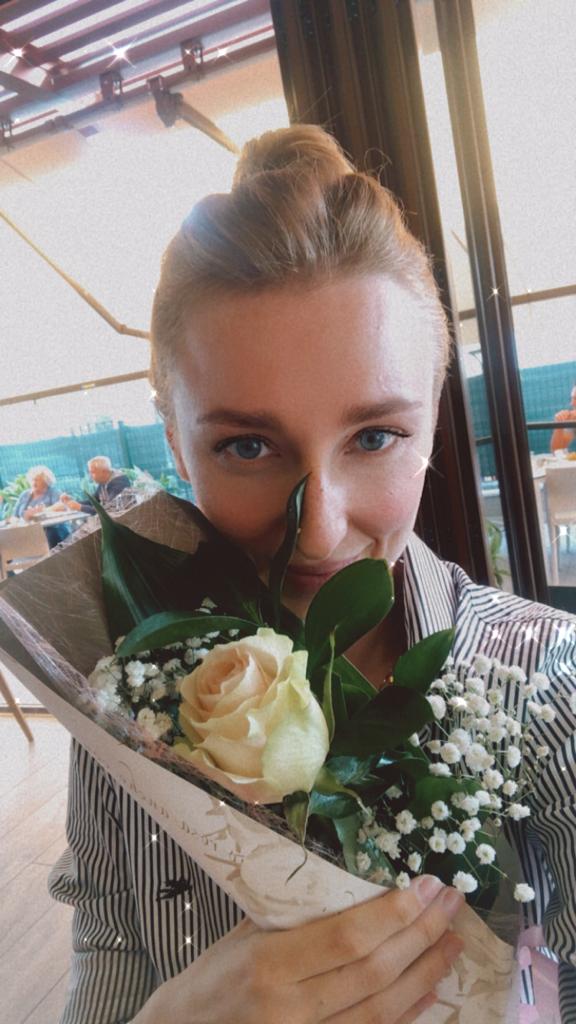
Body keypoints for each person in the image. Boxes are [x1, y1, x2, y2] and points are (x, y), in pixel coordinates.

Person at [47, 126, 576, 1024]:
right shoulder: (122, 713)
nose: (320, 528)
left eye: (375, 436)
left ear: (433, 417)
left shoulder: (552, 689)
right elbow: (107, 963)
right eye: (247, 446)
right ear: (174, 440)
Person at [12, 465, 71, 548]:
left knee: (51, 533)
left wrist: (42, 511)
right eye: (32, 479)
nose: (34, 482)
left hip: (48, 530)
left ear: (46, 481)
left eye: (37, 480)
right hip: (27, 531)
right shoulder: (24, 495)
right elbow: (15, 516)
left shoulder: (53, 492)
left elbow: (62, 506)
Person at [61, 455, 131, 514]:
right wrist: (72, 503)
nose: (90, 476)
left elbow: (107, 510)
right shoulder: (104, 481)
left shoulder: (119, 483)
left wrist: (80, 507)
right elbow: (94, 501)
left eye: (93, 472)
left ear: (104, 472)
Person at [550, 384, 576, 453]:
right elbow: (557, 450)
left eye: (575, 398)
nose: (572, 403)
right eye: (572, 398)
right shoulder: (573, 421)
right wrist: (559, 425)